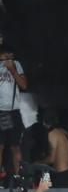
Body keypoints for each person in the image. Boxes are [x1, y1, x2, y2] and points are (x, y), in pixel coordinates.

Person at [0, 46, 28, 180]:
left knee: (15, 147)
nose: (9, 56)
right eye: (6, 54)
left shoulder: (16, 64)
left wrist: (12, 70)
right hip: (1, 112)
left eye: (11, 54)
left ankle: (19, 179)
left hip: (13, 111)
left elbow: (24, 85)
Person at [40, 110, 68, 188]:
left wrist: (38, 163)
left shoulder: (52, 134)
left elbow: (52, 159)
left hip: (60, 175)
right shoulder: (65, 133)